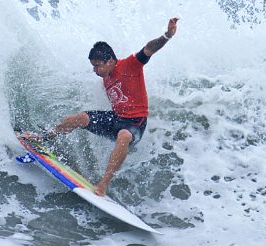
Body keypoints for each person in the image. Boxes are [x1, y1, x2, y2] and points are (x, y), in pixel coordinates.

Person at [26, 17, 179, 196]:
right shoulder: (106, 78)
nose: (95, 70)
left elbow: (149, 49)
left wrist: (166, 36)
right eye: (93, 66)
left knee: (123, 136)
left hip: (135, 124)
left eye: (97, 66)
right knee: (80, 117)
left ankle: (103, 185)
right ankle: (44, 137)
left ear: (110, 61)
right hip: (116, 119)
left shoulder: (130, 65)